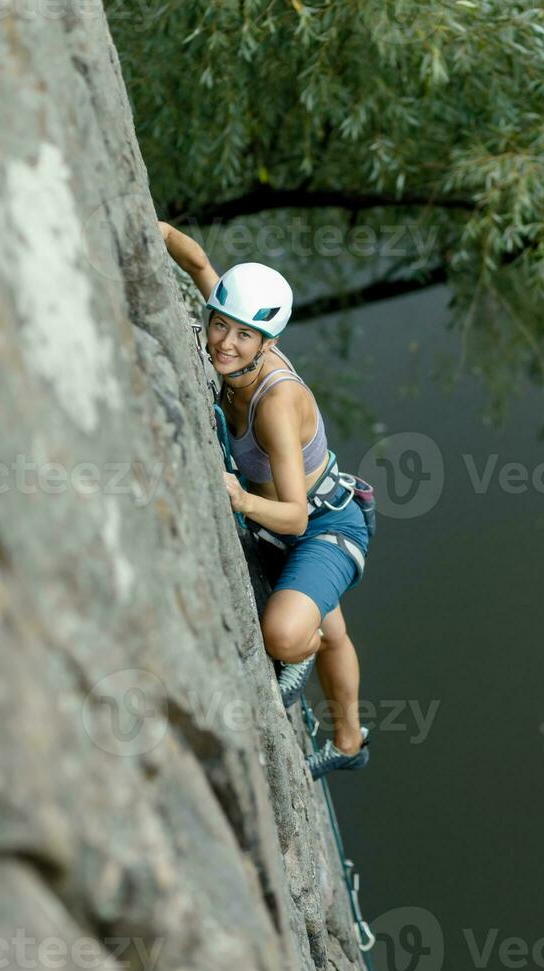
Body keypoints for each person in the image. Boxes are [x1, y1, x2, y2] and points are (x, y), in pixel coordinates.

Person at [159, 221, 370, 778]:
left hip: (324, 525)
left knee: (286, 634)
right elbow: (200, 262)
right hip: (285, 523)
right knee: (335, 632)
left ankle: (314, 663)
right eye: (219, 325)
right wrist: (145, 221)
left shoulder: (276, 402)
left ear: (267, 342)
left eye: (244, 336)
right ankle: (351, 743)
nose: (224, 344)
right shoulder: (231, 333)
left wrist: (240, 500)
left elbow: (297, 513)